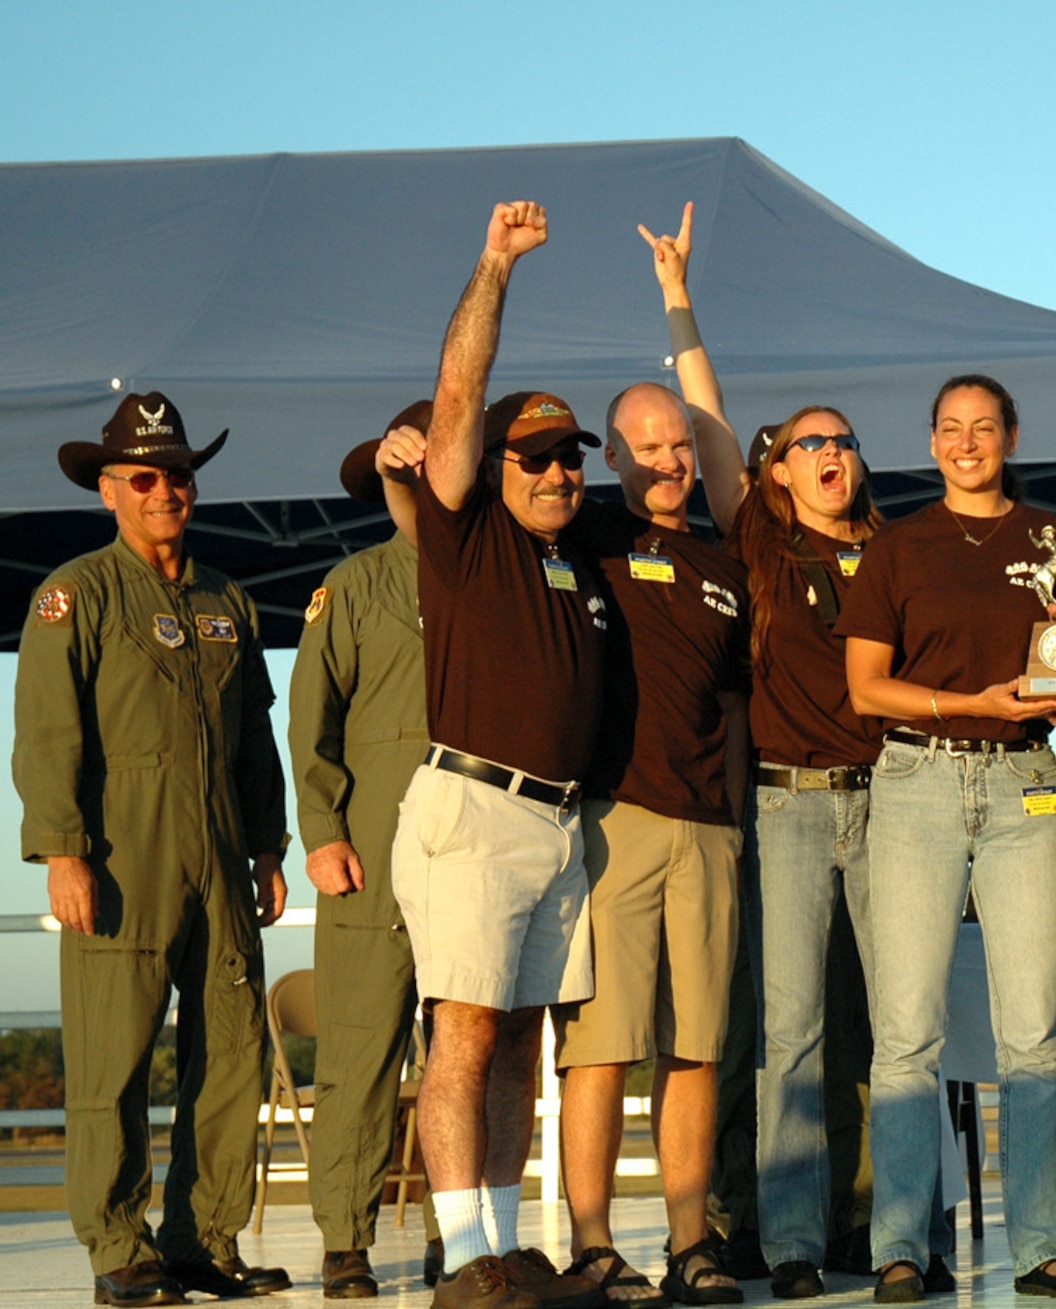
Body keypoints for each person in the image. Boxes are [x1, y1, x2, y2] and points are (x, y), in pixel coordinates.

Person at [16, 391, 292, 1305]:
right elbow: (49, 732)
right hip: (120, 855)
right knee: (115, 1061)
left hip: (220, 855)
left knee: (232, 1053)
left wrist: (266, 849)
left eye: (178, 473)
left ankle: (201, 1240)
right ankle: (117, 1247)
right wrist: (63, 850)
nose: (166, 489)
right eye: (145, 476)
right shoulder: (74, 593)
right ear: (109, 491)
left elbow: (256, 734)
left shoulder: (229, 600)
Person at [839, 376, 1056, 1302]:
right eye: (950, 428)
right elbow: (868, 687)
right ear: (931, 440)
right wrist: (965, 702)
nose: (966, 443)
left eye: (983, 427)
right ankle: (901, 1249)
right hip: (915, 779)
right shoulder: (897, 547)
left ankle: (1044, 1248)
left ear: (1012, 434)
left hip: (1025, 781)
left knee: (1033, 1035)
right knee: (906, 1032)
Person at [392, 200, 610, 1309]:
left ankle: (508, 1255)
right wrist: (493, 267)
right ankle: (460, 1257)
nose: (556, 472)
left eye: (570, 458)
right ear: (492, 465)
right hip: (472, 809)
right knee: (465, 1033)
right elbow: (463, 390)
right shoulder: (463, 526)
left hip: (558, 824)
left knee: (523, 1042)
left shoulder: (578, 561)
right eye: (533, 457)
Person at [551, 204, 753, 1309]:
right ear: (613, 457)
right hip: (612, 821)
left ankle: (689, 1243)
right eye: (650, 449)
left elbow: (720, 432)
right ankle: (592, 1242)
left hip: (707, 829)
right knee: (602, 1047)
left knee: (695, 1047)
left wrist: (681, 301)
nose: (672, 462)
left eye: (680, 447)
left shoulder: (727, 554)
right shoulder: (585, 535)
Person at [698, 404, 897, 1299]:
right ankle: (788, 1242)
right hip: (787, 803)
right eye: (809, 444)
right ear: (776, 470)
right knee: (791, 1032)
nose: (831, 454)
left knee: (895, 1031)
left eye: (843, 440)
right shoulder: (763, 551)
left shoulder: (898, 551)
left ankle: (892, 1228)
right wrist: (677, 300)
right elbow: (708, 435)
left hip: (892, 804)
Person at [289, 401, 441, 1298]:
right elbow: (312, 723)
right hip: (370, 852)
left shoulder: (503, 579)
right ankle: (345, 1236)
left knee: (466, 1052)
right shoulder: (351, 584)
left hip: (475, 853)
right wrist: (322, 833)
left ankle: (453, 1229)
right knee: (357, 1050)